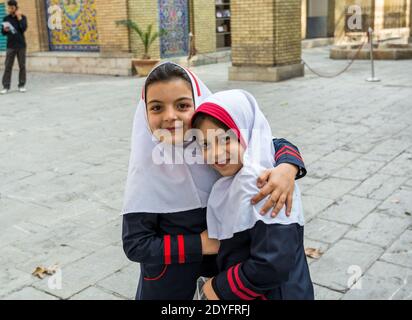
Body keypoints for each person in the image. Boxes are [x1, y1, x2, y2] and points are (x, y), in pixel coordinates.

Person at [121, 62, 307, 300]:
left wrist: (287, 167)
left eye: (182, 105)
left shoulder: (213, 141)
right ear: (144, 113)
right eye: (156, 107)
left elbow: (268, 142)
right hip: (169, 284)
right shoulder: (146, 169)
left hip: (226, 279)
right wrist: (200, 244)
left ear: (198, 103)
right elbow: (136, 244)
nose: (170, 116)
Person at [191, 89, 314, 300]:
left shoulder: (263, 186)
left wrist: (218, 288)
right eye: (205, 144)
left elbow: (272, 264)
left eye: (226, 139)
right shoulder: (234, 180)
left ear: (246, 133)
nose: (216, 153)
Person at [1, 0, 27, 95]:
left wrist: (19, 18)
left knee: (22, 66)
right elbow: (3, 33)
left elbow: (23, 29)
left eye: (11, 8)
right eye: (9, 7)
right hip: (10, 46)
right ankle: (6, 86)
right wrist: (5, 30)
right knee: (8, 66)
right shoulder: (6, 18)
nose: (10, 9)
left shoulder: (23, 17)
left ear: (16, 7)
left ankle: (21, 85)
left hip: (21, 45)